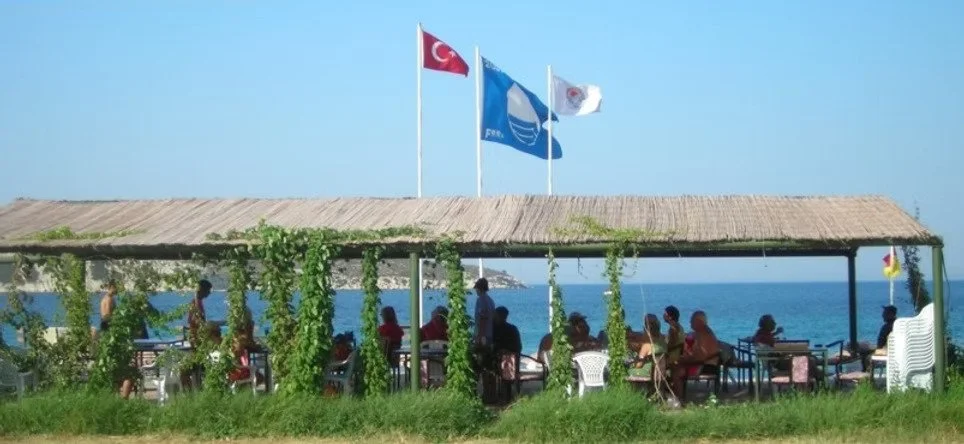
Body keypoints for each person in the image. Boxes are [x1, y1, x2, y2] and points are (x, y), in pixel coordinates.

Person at [670, 310, 720, 399]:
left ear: (699, 322)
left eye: (692, 320)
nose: (690, 322)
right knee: (675, 366)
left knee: (677, 371)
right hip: (704, 363)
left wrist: (684, 360)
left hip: (707, 365)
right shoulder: (702, 332)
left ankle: (679, 398)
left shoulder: (704, 334)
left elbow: (701, 357)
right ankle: (677, 396)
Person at [628, 314, 667, 379]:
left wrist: (633, 362)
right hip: (660, 372)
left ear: (646, 330)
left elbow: (638, 365)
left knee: (627, 370)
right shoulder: (662, 342)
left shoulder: (646, 346)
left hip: (648, 373)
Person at [187, 279, 212, 344]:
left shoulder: (197, 301)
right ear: (203, 290)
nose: (209, 292)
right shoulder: (196, 302)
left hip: (196, 335)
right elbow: (195, 320)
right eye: (208, 290)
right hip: (196, 337)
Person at [473, 278, 495, 347]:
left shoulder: (480, 300)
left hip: (483, 335)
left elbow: (483, 317)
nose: (476, 290)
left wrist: (479, 336)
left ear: (480, 288)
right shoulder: (490, 300)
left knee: (481, 354)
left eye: (476, 288)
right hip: (490, 333)